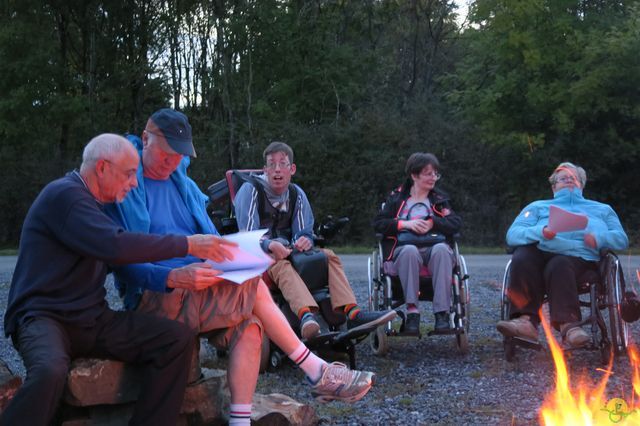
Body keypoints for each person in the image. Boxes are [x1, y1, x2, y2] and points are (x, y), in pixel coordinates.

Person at [105, 109, 376, 424]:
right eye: (167, 153)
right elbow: (122, 262)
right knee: (252, 286)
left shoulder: (182, 186)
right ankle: (316, 370)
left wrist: (249, 253)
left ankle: (240, 421)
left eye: (180, 155)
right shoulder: (125, 185)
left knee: (250, 328)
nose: (173, 162)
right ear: (145, 139)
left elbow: (215, 241)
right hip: (158, 293)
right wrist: (172, 276)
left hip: (202, 287)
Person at [1, 134, 239, 426]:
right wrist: (188, 244)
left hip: (91, 319)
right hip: (42, 317)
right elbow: (117, 245)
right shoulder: (65, 196)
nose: (135, 182)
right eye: (129, 173)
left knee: (175, 339)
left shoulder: (97, 208)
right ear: (102, 168)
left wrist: (173, 277)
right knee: (50, 370)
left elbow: (122, 263)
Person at [234, 141, 396, 340]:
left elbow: (304, 231)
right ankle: (306, 317)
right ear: (265, 169)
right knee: (280, 265)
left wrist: (304, 240)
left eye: (283, 164)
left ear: (292, 169)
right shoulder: (250, 191)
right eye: (272, 164)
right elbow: (247, 236)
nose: (277, 169)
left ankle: (353, 313)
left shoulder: (296, 194)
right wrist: (270, 245)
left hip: (289, 250)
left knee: (329, 256)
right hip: (260, 254)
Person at [496, 162, 629, 348]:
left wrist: (597, 238)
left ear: (581, 184)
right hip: (541, 256)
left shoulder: (602, 210)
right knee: (522, 255)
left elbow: (621, 239)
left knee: (559, 264)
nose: (568, 180)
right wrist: (542, 231)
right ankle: (525, 321)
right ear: (553, 186)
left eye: (572, 177)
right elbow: (513, 235)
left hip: (580, 261)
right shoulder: (537, 207)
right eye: (562, 178)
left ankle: (570, 325)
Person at [373, 153, 462, 335]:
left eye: (435, 174)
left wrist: (433, 222)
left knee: (442, 251)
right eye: (428, 173)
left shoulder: (439, 200)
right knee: (409, 251)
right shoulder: (397, 199)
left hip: (433, 248)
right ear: (414, 175)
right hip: (403, 249)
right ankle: (412, 313)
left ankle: (442, 315)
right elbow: (378, 224)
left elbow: (456, 223)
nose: (433, 178)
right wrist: (404, 224)